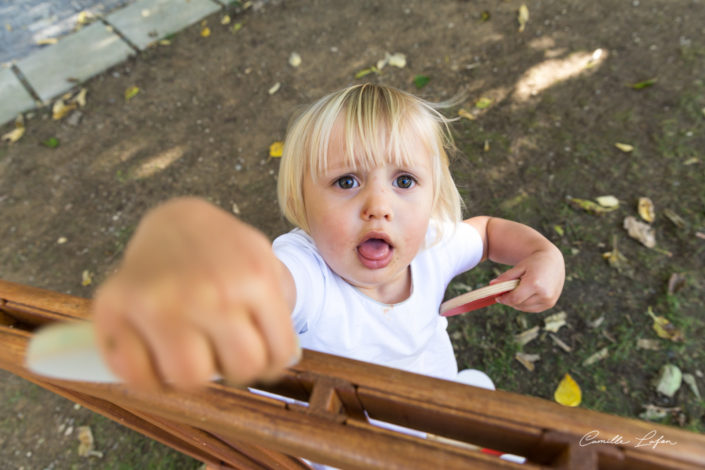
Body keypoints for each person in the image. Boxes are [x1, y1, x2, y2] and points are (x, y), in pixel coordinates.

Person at [92, 83, 565, 392]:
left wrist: (542, 253)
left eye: (404, 182)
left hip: (429, 399)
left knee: (467, 395)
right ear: (303, 205)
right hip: (342, 440)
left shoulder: (430, 246)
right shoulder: (308, 274)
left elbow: (484, 233)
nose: (379, 206)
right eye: (346, 182)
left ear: (434, 193)